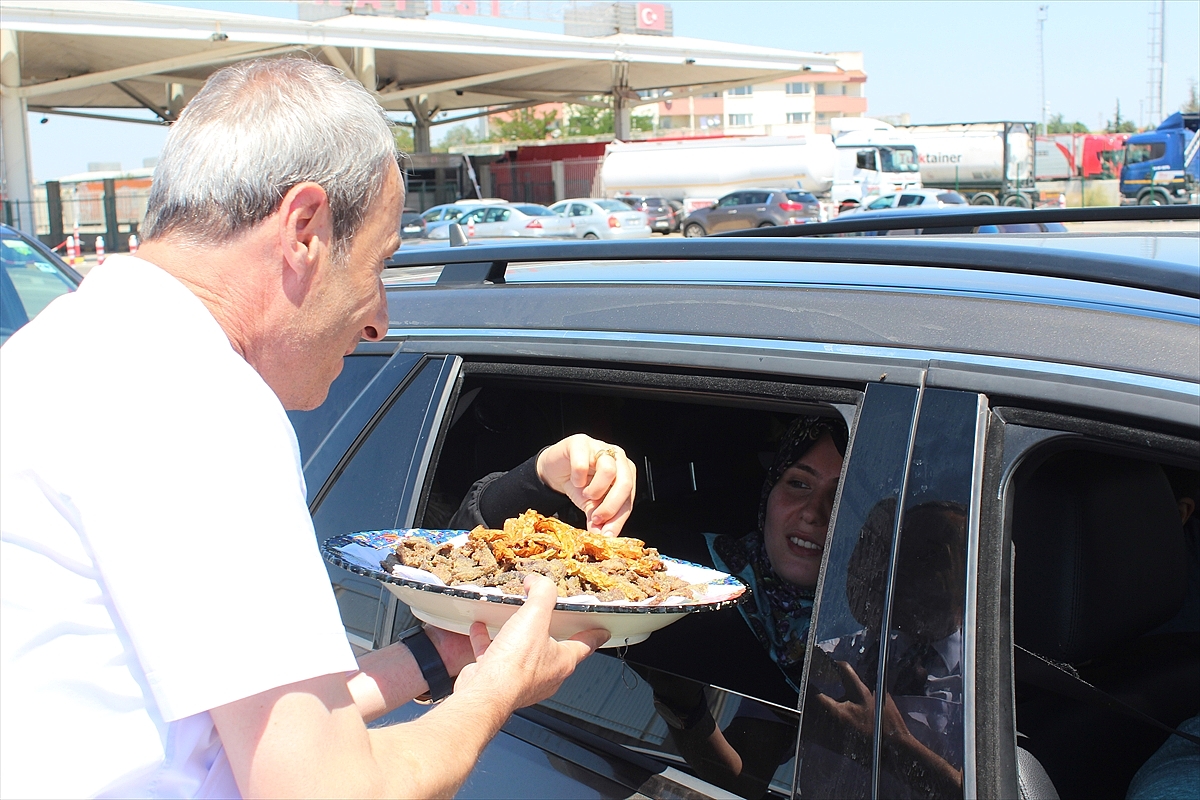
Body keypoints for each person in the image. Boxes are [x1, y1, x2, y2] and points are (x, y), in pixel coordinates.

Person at [0, 57, 607, 799]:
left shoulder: (61, 350)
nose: (381, 320)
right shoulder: (203, 405)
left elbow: (246, 722)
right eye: (379, 264)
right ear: (305, 229)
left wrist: (441, 656)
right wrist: (497, 692)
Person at [452, 415, 849, 798]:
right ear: (770, 489)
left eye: (841, 496)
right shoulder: (666, 567)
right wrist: (540, 475)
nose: (814, 512)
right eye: (799, 483)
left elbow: (745, 781)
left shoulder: (865, 645)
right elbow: (467, 567)